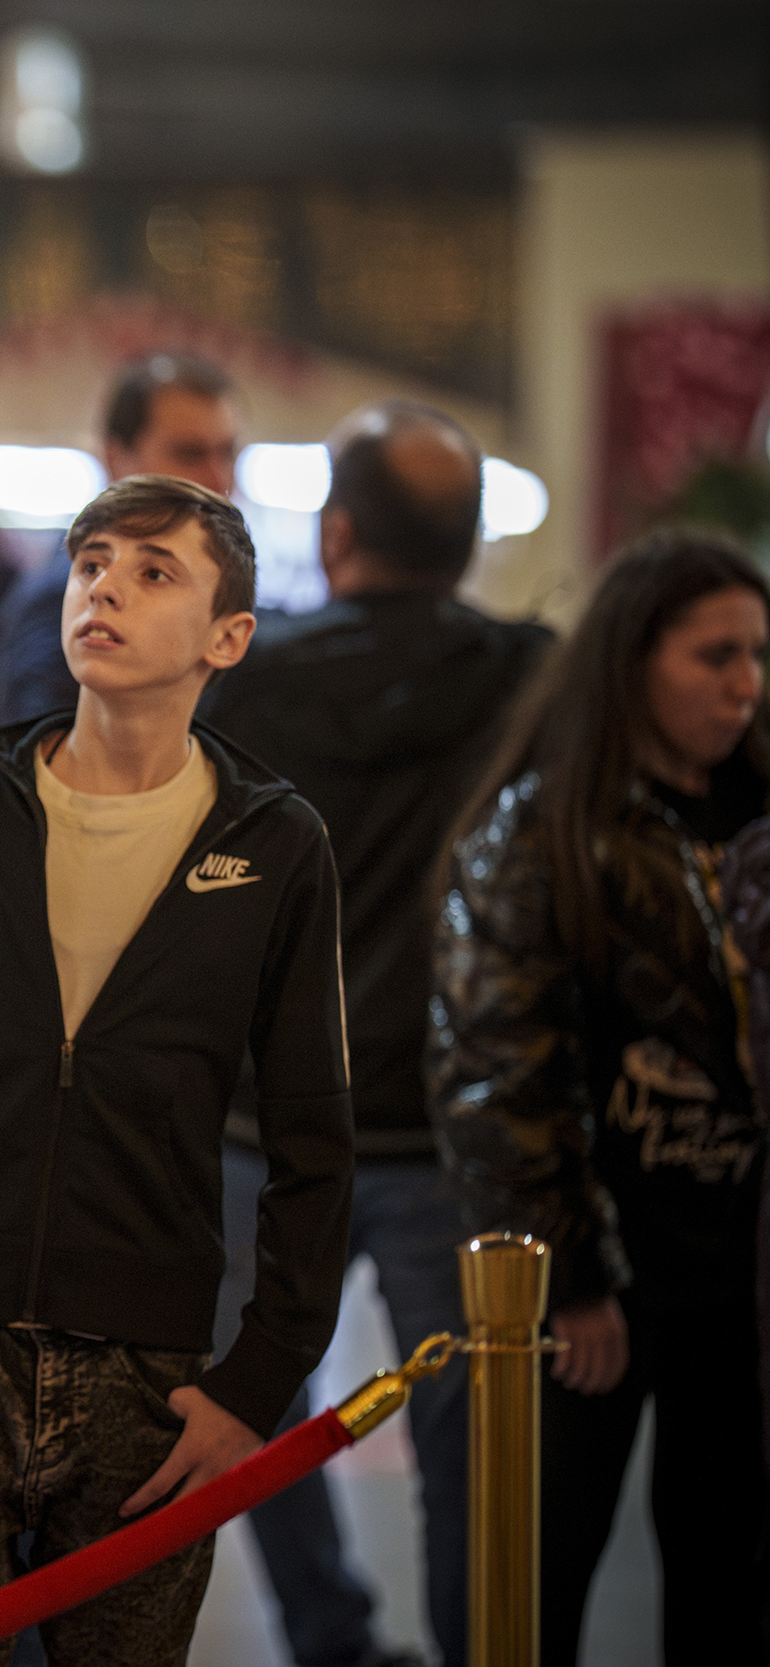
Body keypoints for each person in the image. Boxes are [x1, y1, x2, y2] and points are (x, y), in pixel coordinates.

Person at [0, 474, 353, 1666]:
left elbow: (313, 1132)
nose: (106, 584)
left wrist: (257, 1378)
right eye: (93, 559)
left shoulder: (272, 839)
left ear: (226, 636)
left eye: (155, 570)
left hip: (148, 1375)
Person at [200, 400, 553, 1667]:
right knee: (472, 1429)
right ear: (462, 543)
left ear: (335, 529)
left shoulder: (246, 677)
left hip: (257, 1121)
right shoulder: (532, 677)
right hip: (443, 1126)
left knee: (241, 1408)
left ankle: (327, 1634)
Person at [431, 528, 770, 1665]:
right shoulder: (541, 826)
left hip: (743, 1272)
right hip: (599, 1283)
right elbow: (495, 1073)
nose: (744, 684)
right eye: (714, 655)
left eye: (757, 655)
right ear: (633, 662)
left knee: (727, 1571)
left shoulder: (757, 814)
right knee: (540, 1578)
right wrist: (565, 1273)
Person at [0, 352, 241, 729]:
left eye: (228, 453)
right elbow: (33, 758)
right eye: (190, 454)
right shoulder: (64, 597)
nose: (219, 479)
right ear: (115, 457)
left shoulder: (218, 582)